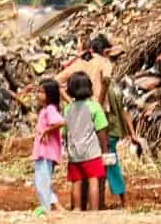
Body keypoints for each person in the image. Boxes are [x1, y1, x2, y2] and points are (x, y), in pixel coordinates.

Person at [61, 71, 108, 212]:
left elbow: (65, 132)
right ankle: (93, 209)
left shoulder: (68, 109)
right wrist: (104, 150)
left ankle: (76, 208)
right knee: (93, 179)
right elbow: (101, 130)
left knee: (76, 181)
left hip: (74, 152)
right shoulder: (94, 107)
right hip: (91, 151)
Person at [30, 78, 65, 214]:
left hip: (45, 152)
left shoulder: (50, 109)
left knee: (42, 183)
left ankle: (47, 208)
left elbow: (61, 122)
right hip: (43, 151)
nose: (38, 95)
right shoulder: (46, 109)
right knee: (42, 181)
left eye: (41, 92)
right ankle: (54, 206)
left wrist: (46, 131)